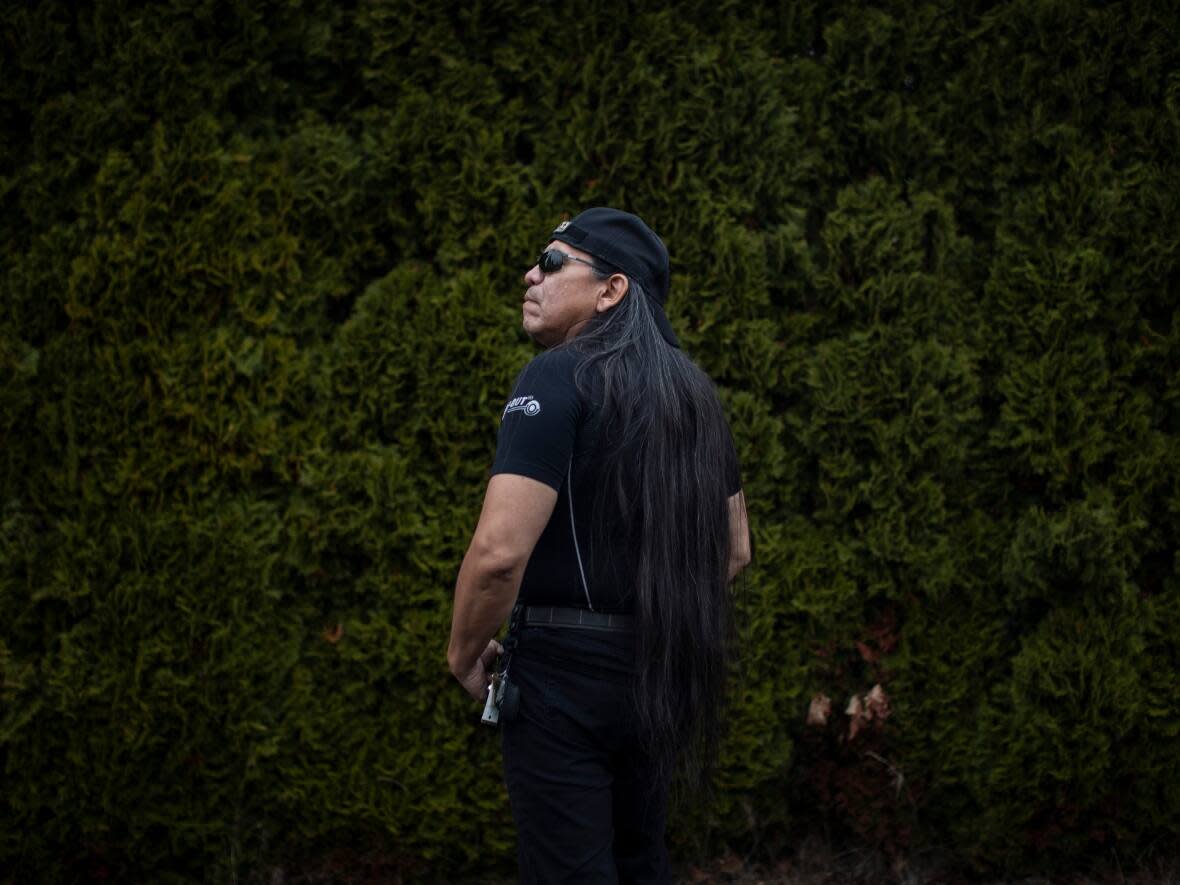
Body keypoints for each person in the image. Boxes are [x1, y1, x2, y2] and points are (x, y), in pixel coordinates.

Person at [447, 207, 751, 883]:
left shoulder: (556, 376)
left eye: (552, 262)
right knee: (642, 864)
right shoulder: (695, 397)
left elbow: (499, 551)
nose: (531, 274)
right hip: (656, 670)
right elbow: (734, 550)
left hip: (559, 675)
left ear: (612, 290)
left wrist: (465, 652)